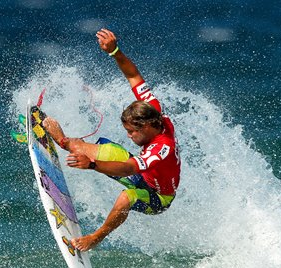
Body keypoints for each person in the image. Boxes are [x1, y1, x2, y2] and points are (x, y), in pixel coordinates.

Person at [42, 28, 181, 251]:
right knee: (88, 148)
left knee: (127, 197)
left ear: (146, 126)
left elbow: (128, 168)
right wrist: (114, 51)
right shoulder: (152, 110)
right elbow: (134, 76)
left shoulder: (162, 148)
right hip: (141, 172)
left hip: (158, 196)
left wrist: (93, 166)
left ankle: (95, 238)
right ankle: (64, 141)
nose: (129, 135)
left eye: (132, 132)